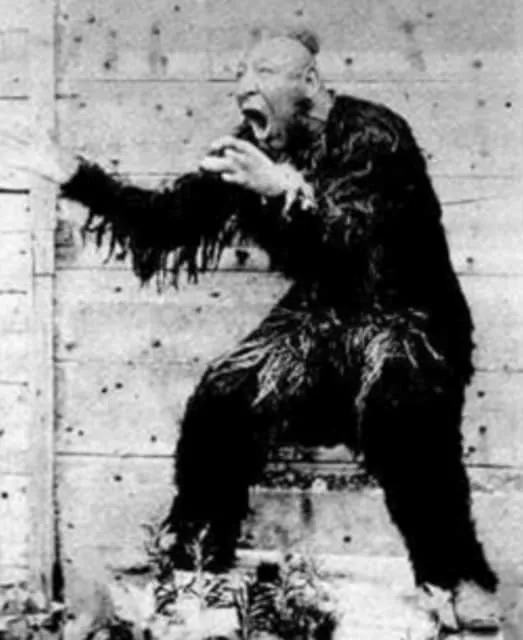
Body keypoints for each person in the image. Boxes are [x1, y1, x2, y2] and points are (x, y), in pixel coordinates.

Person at [0, 25, 502, 632]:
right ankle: (196, 565)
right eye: (241, 74)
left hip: (412, 317)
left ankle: (456, 576)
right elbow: (168, 222)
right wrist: (76, 176)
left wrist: (288, 189)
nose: (244, 87)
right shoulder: (251, 149)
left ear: (309, 81)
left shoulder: (375, 133)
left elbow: (358, 234)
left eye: (263, 72)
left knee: (404, 411)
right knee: (223, 397)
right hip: (322, 319)